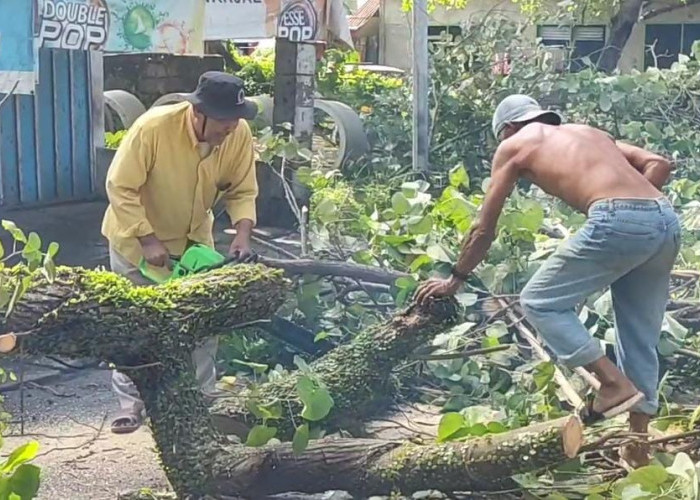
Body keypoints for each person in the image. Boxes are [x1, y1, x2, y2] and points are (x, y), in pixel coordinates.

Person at [415, 94, 679, 467]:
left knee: (540, 300)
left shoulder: (514, 145)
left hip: (620, 220)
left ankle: (612, 384)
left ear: (506, 129)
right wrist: (636, 211)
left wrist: (454, 279)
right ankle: (638, 447)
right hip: (665, 219)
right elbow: (659, 164)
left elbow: (483, 229)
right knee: (639, 335)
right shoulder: (589, 133)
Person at [101, 71, 260, 434]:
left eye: (236, 119)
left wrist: (243, 235)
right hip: (136, 245)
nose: (231, 128)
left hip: (193, 246)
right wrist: (147, 239)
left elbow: (243, 190)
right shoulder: (152, 129)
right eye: (224, 120)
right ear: (198, 113)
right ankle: (130, 405)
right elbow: (120, 187)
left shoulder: (238, 135)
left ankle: (202, 399)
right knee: (136, 325)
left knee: (204, 321)